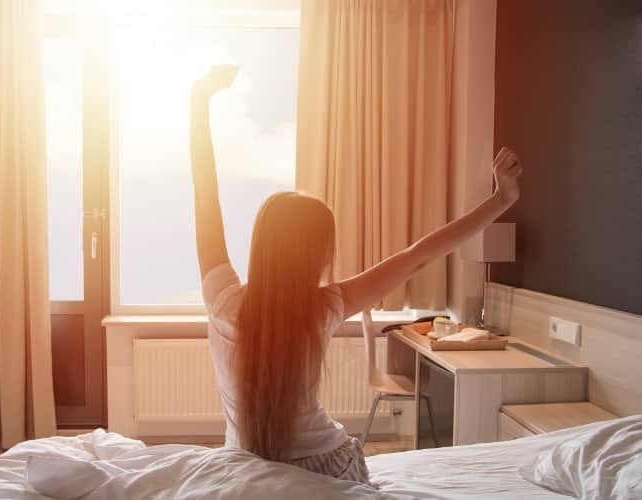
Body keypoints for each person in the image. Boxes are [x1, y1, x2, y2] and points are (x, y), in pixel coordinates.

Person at [189, 65, 523, 485]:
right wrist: (500, 200)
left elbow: (205, 194)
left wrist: (198, 102)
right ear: (319, 254)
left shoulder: (223, 304)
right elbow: (419, 254)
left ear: (261, 243)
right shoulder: (325, 306)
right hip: (327, 467)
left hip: (245, 469)